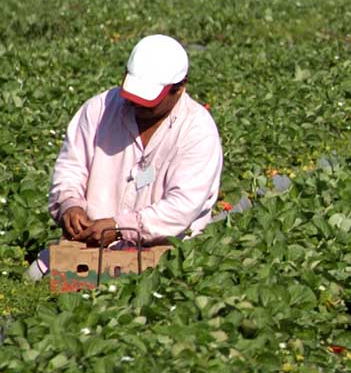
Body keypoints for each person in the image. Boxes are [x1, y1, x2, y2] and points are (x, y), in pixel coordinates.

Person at [34, 34, 224, 278]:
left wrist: (122, 227)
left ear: (179, 89)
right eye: (133, 97)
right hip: (90, 245)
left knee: (134, 299)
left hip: (167, 253)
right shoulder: (99, 110)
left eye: (148, 102)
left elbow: (181, 206)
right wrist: (69, 204)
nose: (137, 105)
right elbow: (71, 167)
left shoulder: (197, 131)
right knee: (37, 278)